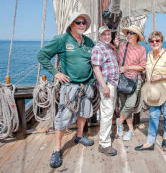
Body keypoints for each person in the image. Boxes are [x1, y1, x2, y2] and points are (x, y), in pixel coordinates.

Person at [37, 12, 95, 168]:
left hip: (87, 84)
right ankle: (57, 149)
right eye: (78, 22)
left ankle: (79, 136)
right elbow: (42, 55)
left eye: (84, 23)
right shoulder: (62, 39)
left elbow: (99, 56)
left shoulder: (89, 42)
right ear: (71, 24)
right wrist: (56, 73)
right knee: (63, 117)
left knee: (83, 112)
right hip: (70, 86)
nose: (82, 25)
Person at [135, 31, 166, 151]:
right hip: (154, 91)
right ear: (149, 42)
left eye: (157, 41)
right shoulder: (149, 54)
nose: (154, 43)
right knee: (153, 115)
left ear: (161, 42)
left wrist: (160, 77)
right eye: (152, 41)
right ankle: (150, 141)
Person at [91, 26, 119, 156]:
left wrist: (116, 47)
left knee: (109, 111)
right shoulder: (98, 48)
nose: (107, 36)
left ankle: (106, 135)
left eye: (109, 34)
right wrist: (104, 86)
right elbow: (96, 69)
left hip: (113, 84)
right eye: (104, 35)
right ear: (99, 36)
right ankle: (104, 144)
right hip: (107, 85)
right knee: (107, 113)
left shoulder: (108, 47)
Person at [116, 25, 146, 141]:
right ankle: (130, 129)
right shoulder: (122, 46)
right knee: (124, 106)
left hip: (135, 79)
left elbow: (142, 66)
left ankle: (119, 123)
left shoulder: (141, 49)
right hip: (122, 79)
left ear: (137, 36)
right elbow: (117, 59)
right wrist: (115, 45)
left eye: (131, 33)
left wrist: (128, 67)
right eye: (127, 33)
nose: (128, 35)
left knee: (130, 104)